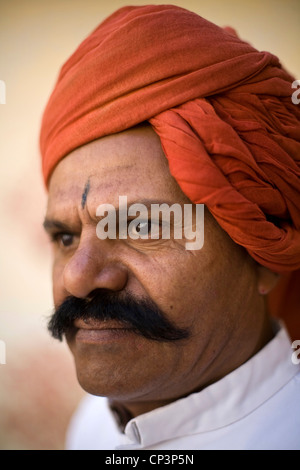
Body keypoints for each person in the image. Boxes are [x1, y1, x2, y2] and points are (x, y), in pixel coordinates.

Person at [40, 5, 300, 450]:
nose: (77, 278)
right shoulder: (92, 428)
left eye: (140, 227)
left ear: (262, 253)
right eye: (66, 237)